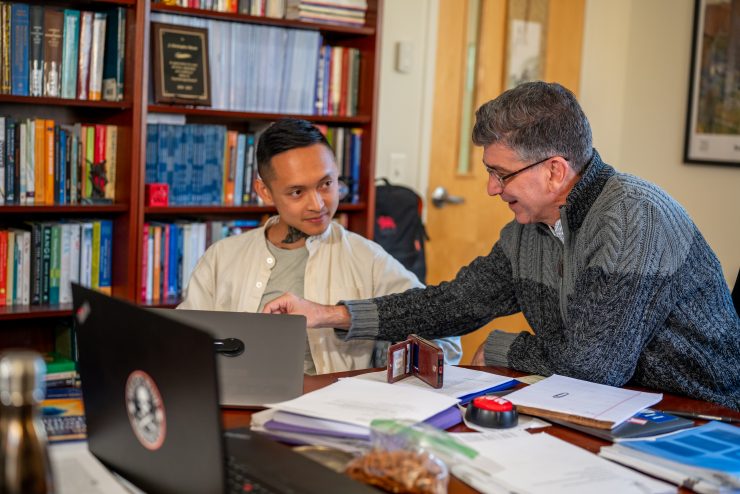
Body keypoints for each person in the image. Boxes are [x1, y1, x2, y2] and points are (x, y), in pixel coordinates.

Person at [264, 82, 740, 410]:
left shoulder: (633, 218)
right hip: (616, 408)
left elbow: (591, 371)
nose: (492, 189)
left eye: (502, 174)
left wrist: (505, 346)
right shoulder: (527, 230)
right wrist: (332, 315)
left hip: (700, 415)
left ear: (554, 171)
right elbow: (453, 303)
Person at [178, 118, 461, 374]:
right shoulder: (222, 257)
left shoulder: (368, 260)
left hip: (329, 409)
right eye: (297, 192)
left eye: (326, 184)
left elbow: (446, 339)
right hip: (237, 404)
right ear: (264, 191)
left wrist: (387, 364)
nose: (318, 204)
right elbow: (181, 343)